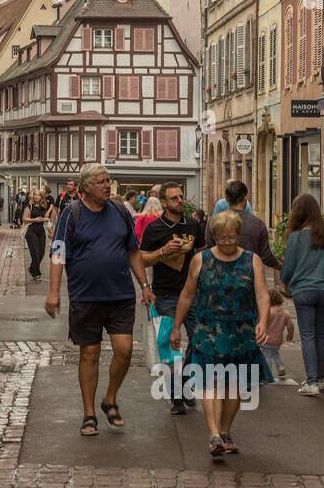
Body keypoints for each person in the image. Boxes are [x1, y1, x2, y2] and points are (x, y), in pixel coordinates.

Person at [45, 164, 155, 436]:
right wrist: (53, 292)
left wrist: (145, 284)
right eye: (102, 182)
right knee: (89, 354)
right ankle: (89, 413)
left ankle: (110, 398)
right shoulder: (72, 214)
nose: (108, 186)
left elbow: (133, 251)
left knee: (125, 349)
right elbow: (58, 254)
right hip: (86, 296)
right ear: (85, 187)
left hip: (120, 295)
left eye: (109, 181)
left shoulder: (120, 212)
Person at [171, 211, 272, 458]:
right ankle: (214, 435)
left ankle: (225, 432)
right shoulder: (200, 259)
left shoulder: (252, 260)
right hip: (208, 331)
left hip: (242, 332)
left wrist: (263, 322)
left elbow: (261, 295)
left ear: (238, 235)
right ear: (214, 236)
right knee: (210, 382)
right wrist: (176, 326)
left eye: (232, 237)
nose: (227, 242)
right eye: (222, 238)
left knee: (234, 387)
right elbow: (187, 294)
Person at [139, 182, 207, 415]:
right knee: (169, 346)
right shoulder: (155, 229)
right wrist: (163, 252)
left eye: (181, 197)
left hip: (193, 292)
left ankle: (187, 379)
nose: (180, 201)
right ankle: (177, 396)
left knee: (200, 340)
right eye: (174, 198)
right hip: (165, 293)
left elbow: (201, 253)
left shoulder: (194, 225)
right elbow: (141, 259)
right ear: (164, 202)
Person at [280, 193, 324, 396]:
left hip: (304, 290)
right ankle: (320, 378)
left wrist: (285, 284)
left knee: (307, 334)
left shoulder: (296, 237)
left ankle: (312, 381)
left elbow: (287, 268)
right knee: (321, 334)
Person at [205, 180, 280, 276]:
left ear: (227, 199)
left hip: (220, 276)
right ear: (245, 198)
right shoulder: (257, 224)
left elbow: (210, 250)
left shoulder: (213, 222)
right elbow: (266, 256)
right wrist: (279, 266)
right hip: (248, 278)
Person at [262, 287, 294, 380]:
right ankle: (281, 367)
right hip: (278, 340)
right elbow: (290, 326)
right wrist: (289, 335)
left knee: (267, 355)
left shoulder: (267, 312)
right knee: (275, 353)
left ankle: (267, 372)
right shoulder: (285, 313)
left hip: (266, 339)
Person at [23, 186, 53, 281]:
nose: (36, 196)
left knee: (41, 252)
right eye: (35, 195)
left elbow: (47, 219)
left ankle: (32, 268)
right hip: (31, 230)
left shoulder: (43, 207)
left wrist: (45, 221)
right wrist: (34, 219)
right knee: (35, 252)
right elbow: (24, 219)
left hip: (41, 230)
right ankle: (36, 273)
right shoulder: (29, 207)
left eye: (38, 195)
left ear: (41, 197)